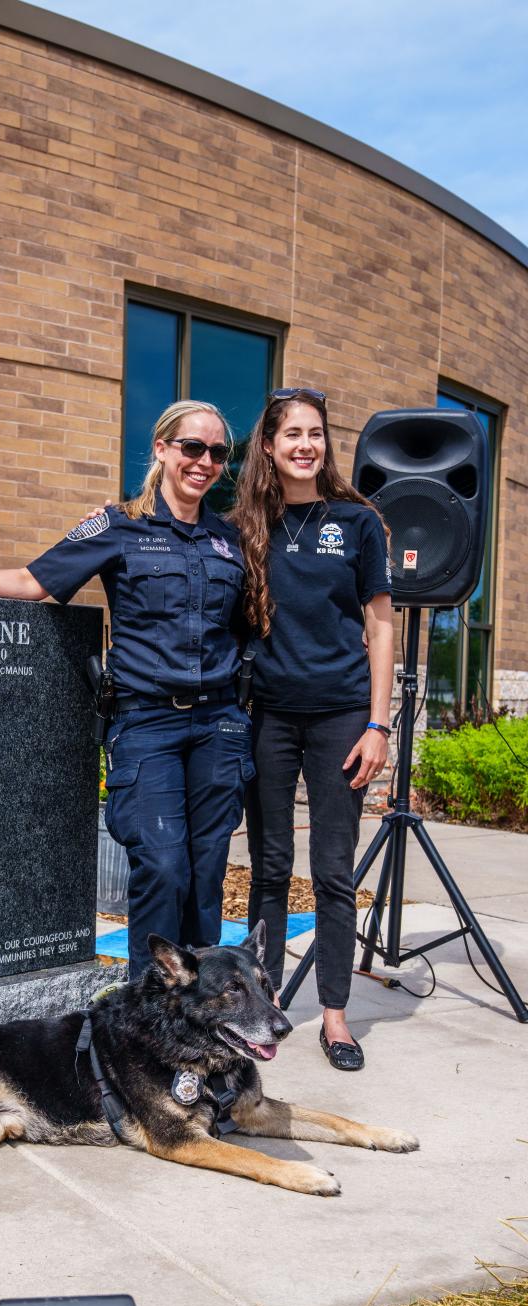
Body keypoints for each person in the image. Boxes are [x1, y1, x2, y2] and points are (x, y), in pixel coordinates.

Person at [0, 400, 254, 979]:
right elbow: (35, 579)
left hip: (219, 726)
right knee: (162, 867)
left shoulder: (229, 539)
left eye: (218, 452)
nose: (205, 462)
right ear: (163, 449)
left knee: (205, 871)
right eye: (192, 447)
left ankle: (201, 1005)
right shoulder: (119, 526)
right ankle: (149, 1001)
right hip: (148, 724)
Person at [231, 388, 393, 1071]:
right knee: (267, 869)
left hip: (339, 718)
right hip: (266, 715)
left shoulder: (356, 522)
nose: (306, 444)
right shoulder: (244, 523)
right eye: (292, 433)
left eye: (316, 433)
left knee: (331, 870)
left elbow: (380, 625)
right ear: (268, 445)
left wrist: (379, 723)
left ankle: (333, 1015)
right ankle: (261, 1011)